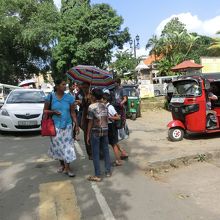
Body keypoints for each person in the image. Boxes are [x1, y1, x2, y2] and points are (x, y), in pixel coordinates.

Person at [43, 79, 79, 177]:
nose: (65, 86)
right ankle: (62, 165)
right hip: (54, 127)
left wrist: (76, 125)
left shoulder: (69, 98)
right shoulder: (50, 97)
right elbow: (45, 111)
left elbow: (72, 112)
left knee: (68, 147)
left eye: (65, 84)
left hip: (67, 126)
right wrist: (53, 112)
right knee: (58, 147)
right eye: (63, 84)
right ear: (57, 86)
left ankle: (67, 168)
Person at [87, 88, 111, 182]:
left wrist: (88, 135)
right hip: (105, 130)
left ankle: (97, 175)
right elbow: (107, 118)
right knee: (106, 151)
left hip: (95, 131)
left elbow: (90, 122)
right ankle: (108, 171)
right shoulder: (105, 106)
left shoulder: (91, 107)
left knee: (95, 153)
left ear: (93, 96)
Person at [103, 91, 123, 166]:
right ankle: (122, 154)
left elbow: (117, 117)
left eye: (102, 99)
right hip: (109, 126)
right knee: (114, 143)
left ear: (105, 100)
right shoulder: (105, 106)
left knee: (113, 144)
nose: (101, 100)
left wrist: (109, 117)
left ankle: (118, 160)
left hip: (111, 127)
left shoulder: (110, 107)